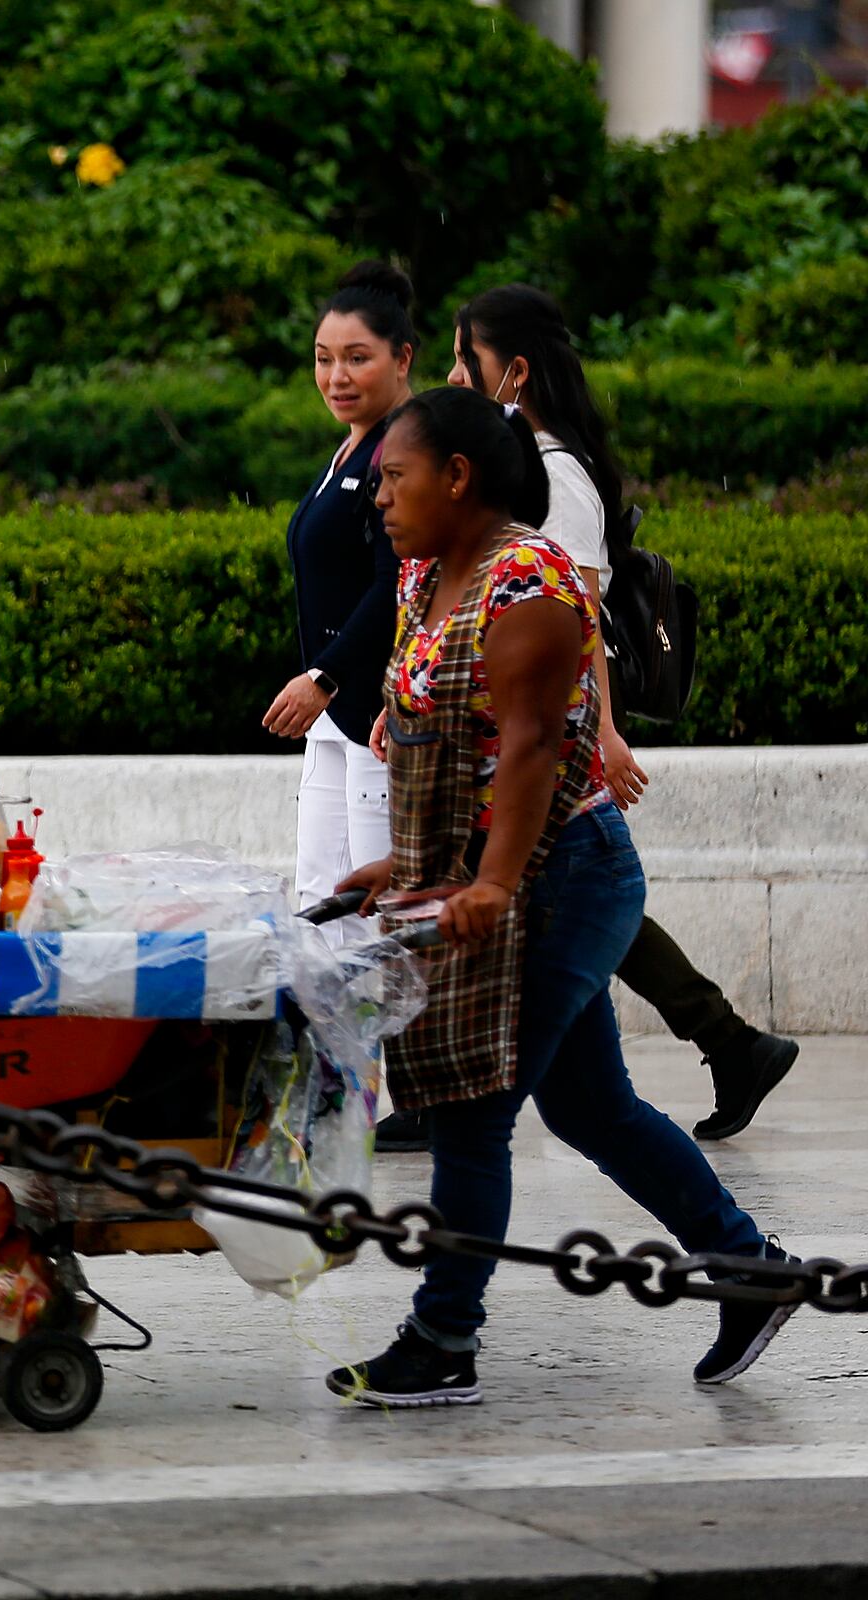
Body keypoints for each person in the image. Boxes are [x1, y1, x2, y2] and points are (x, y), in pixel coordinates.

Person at [325, 389, 794, 1408]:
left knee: (472, 1107)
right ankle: (750, 1267)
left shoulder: (525, 578)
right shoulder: (425, 577)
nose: (381, 499)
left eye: (397, 478)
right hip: (491, 878)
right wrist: (402, 867)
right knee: (592, 1107)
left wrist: (492, 878)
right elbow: (445, 744)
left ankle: (445, 1335)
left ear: (458, 477)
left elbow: (536, 741)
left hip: (566, 877)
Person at [372, 284, 798, 1149]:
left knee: (577, 892)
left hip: (554, 741)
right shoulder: (520, 461)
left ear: (515, 371)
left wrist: (597, 734)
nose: (454, 375)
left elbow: (574, 614)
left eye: (467, 359)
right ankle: (730, 1043)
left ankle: (727, 1041)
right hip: (535, 750)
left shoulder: (550, 474)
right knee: (591, 1046)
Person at [263, 262, 412, 931]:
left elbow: (395, 584)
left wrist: (327, 673)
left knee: (376, 910)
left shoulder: (403, 451)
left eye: (358, 359)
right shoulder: (350, 449)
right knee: (319, 902)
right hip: (336, 714)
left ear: (402, 358)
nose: (337, 378)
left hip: (378, 714)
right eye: (324, 360)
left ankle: (395, 1039)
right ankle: (329, 1038)